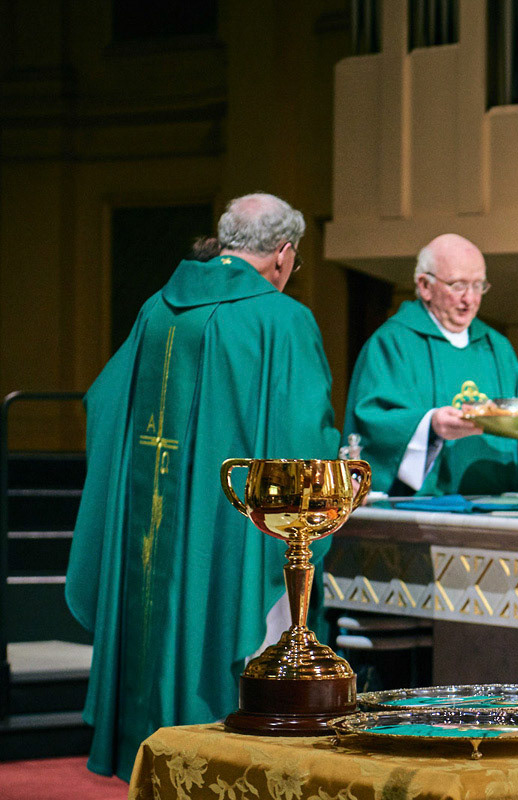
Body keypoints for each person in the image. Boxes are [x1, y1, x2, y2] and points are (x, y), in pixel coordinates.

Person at [66, 193, 340, 779]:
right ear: (285, 254)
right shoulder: (282, 318)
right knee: (240, 655)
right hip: (233, 533)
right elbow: (303, 440)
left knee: (159, 631)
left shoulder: (156, 309)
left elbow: (104, 402)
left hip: (153, 513)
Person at [343, 233, 518, 496]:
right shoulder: (393, 342)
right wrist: (429, 425)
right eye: (458, 285)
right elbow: (372, 422)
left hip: (500, 509)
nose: (470, 299)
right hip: (422, 515)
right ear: (425, 286)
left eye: (478, 286)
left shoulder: (494, 346)